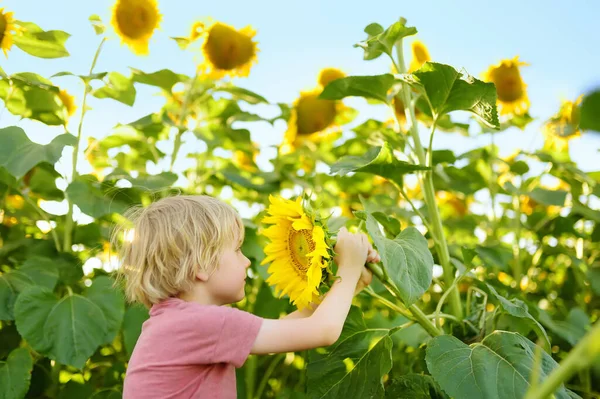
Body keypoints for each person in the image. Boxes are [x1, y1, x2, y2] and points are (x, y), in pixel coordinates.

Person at [114, 195, 379, 399]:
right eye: (237, 250)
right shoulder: (195, 323)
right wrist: (349, 266)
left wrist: (349, 284)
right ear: (201, 267)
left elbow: (287, 332)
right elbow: (323, 331)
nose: (246, 262)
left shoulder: (179, 322)